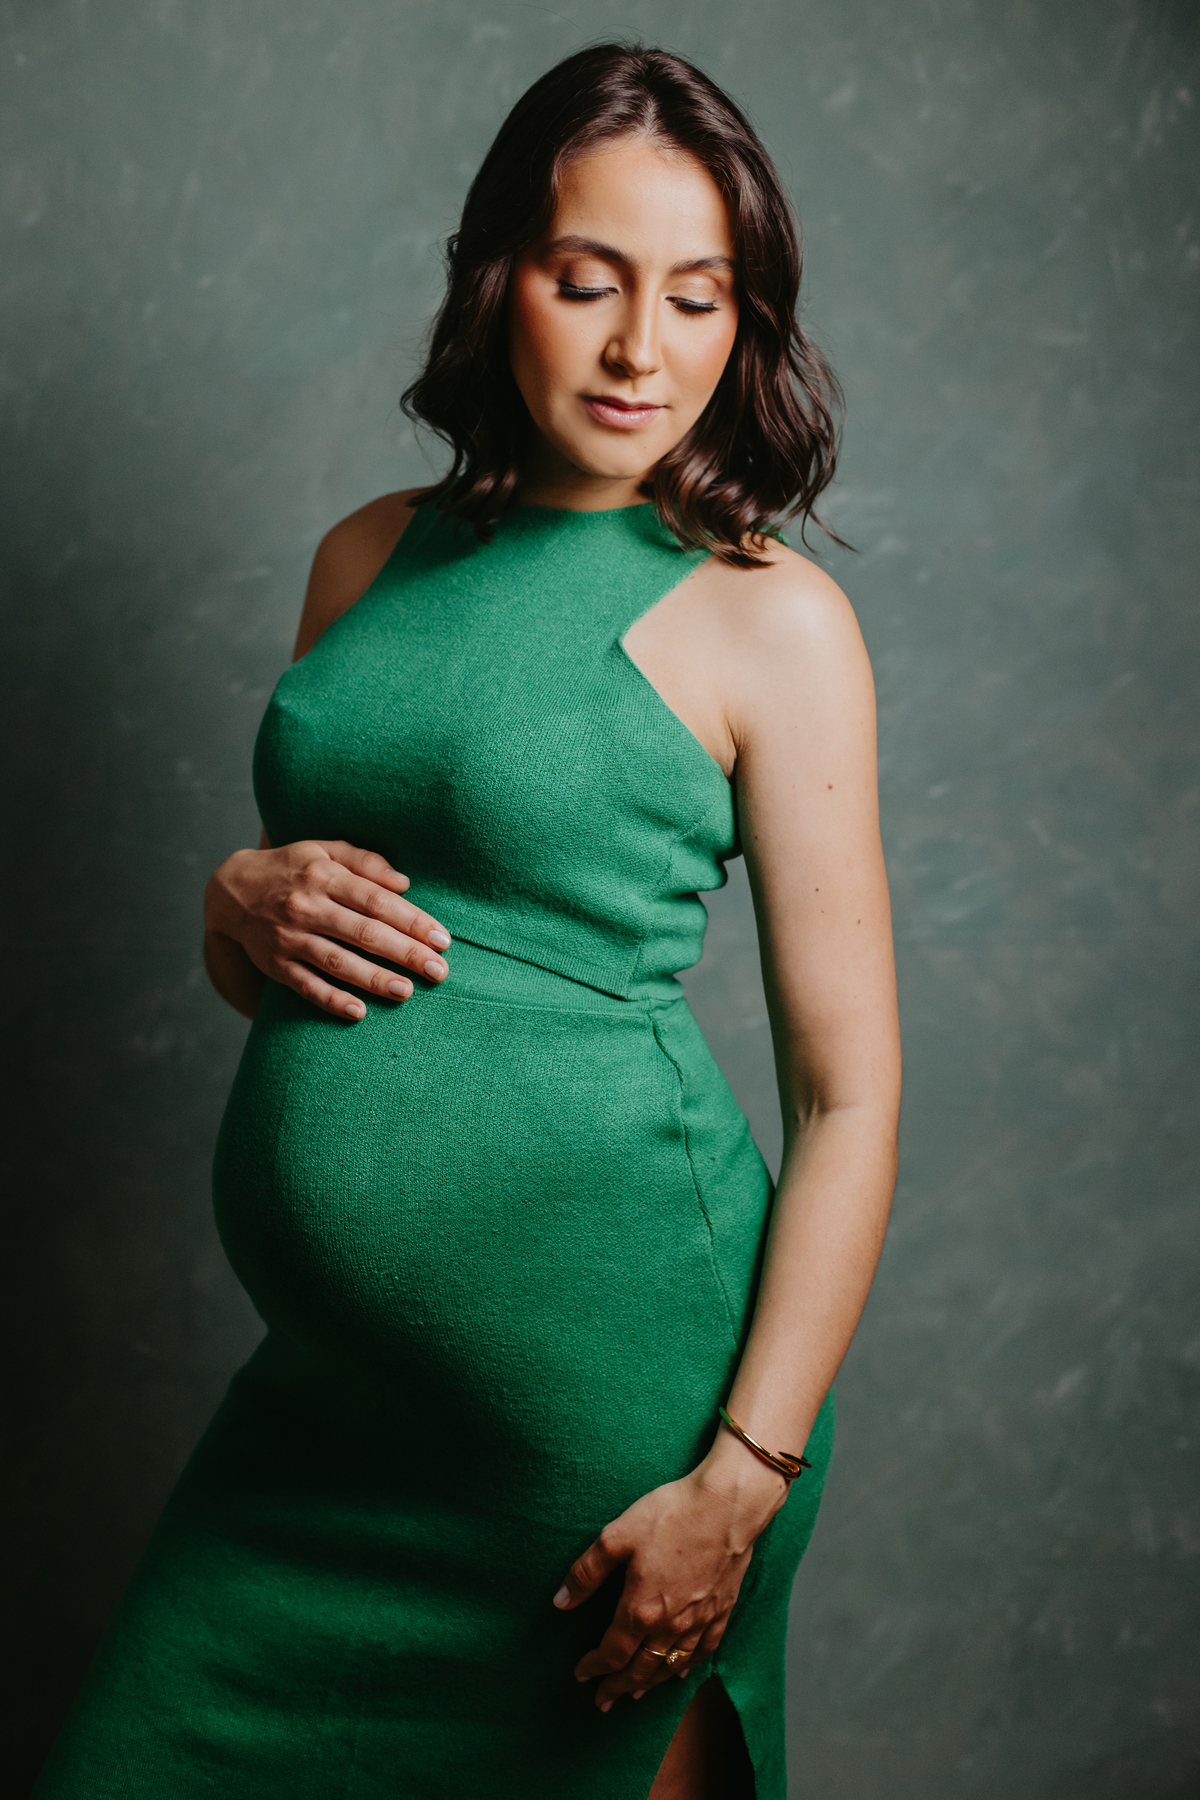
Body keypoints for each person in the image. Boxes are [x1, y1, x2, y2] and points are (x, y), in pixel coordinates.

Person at [35, 42, 900, 1800]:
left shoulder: (771, 621)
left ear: (745, 320)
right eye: (588, 281)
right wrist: (232, 897)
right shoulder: (366, 557)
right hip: (327, 1424)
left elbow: (849, 1096)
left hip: (604, 1434)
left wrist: (742, 1479)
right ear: (499, 274)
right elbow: (307, 960)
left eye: (697, 297)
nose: (641, 348)